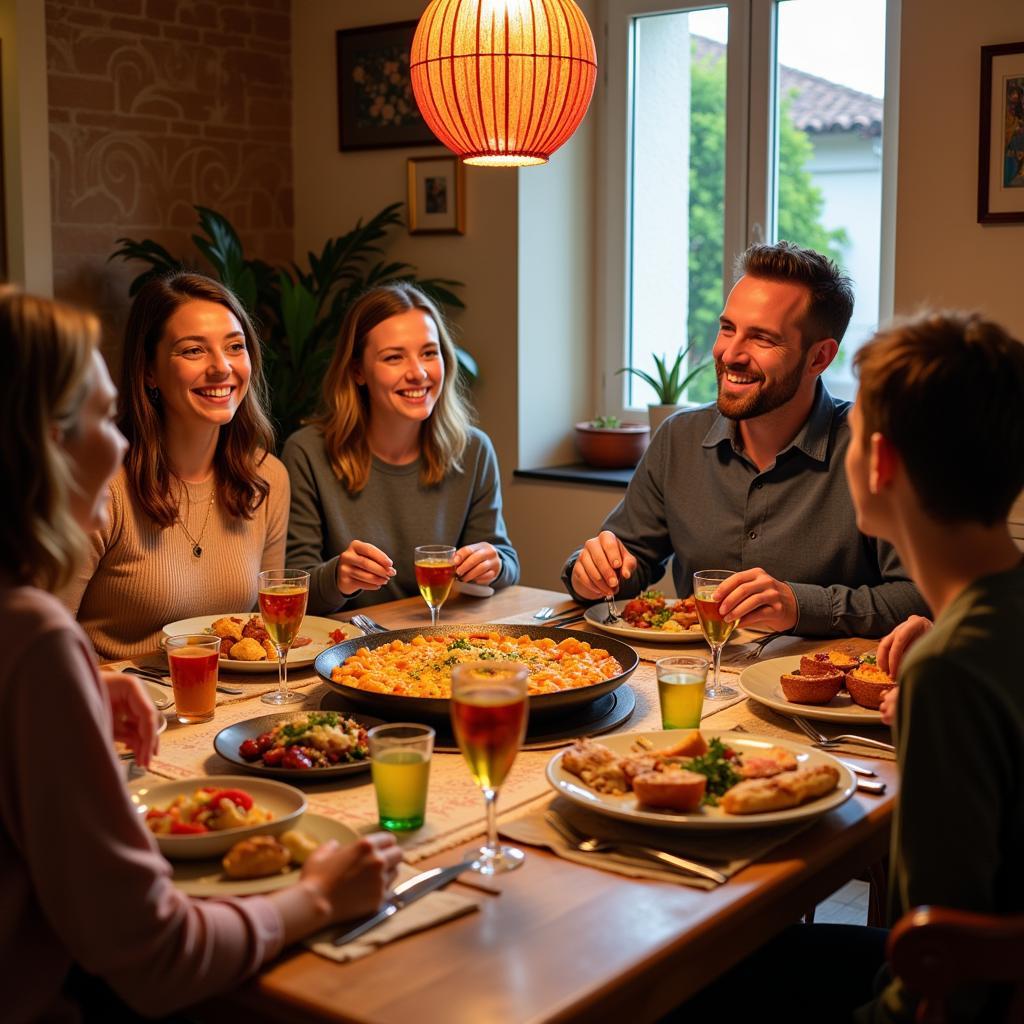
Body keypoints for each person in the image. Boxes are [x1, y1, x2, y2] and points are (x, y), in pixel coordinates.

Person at [0, 287, 402, 1022]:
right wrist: (315, 897)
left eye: (233, 344)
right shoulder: (34, 635)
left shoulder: (22, 624)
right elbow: (154, 957)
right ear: (41, 442)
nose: (117, 440)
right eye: (96, 415)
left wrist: (84, 679)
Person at [679, 310, 1024, 1022]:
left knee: (687, 981)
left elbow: (943, 972)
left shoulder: (949, 674)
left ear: (880, 464)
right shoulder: (981, 628)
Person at [562, 241, 928, 637]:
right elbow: (628, 562)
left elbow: (919, 598)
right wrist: (591, 575)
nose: (729, 353)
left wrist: (800, 605)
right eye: (727, 329)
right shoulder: (679, 437)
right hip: (697, 680)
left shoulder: (873, 447)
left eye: (762, 338)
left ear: (819, 358)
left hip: (821, 690)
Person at [61, 272, 290, 660]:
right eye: (193, 351)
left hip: (228, 697)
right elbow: (47, 639)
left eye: (235, 347)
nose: (222, 368)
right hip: (118, 701)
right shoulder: (100, 483)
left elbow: (265, 633)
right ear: (149, 370)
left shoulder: (266, 477)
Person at [283, 282, 519, 614]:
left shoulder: (474, 449)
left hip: (444, 641)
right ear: (357, 371)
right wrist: (338, 577)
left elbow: (504, 559)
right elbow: (294, 588)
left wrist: (493, 565)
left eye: (428, 352)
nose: (418, 373)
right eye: (394, 357)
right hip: (349, 649)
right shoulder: (306, 452)